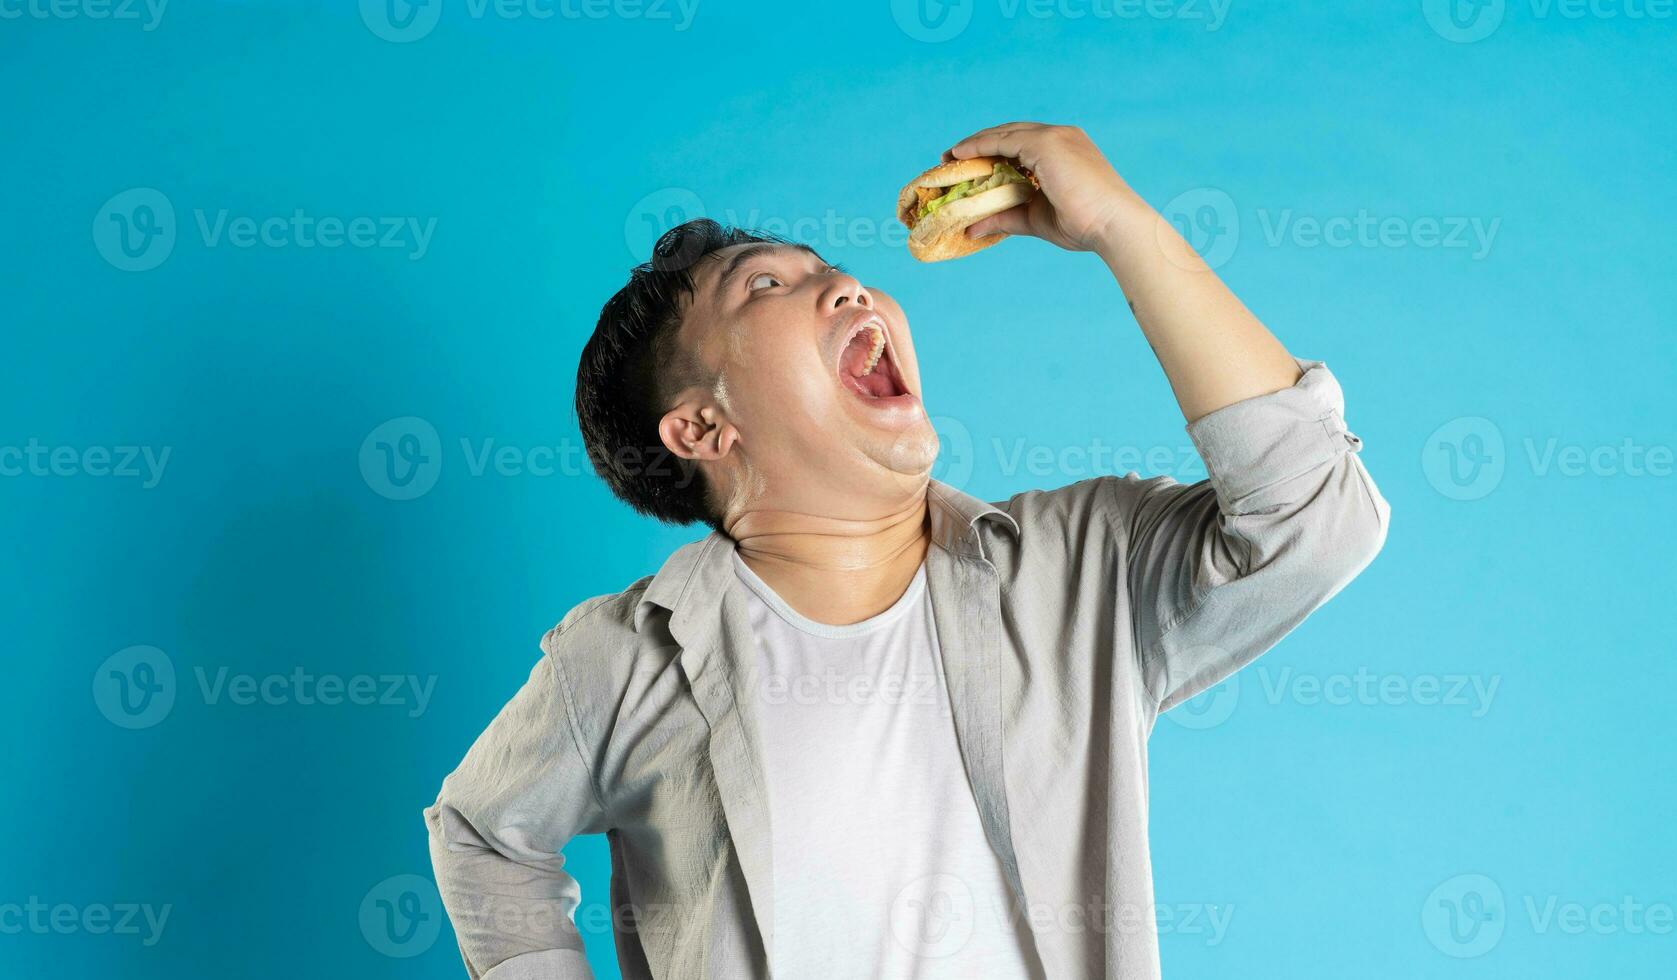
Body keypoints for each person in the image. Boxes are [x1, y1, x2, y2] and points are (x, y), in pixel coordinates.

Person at [424, 122, 1390, 980]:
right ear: (702, 429)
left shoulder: (1078, 571)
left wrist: (1121, 228)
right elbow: (481, 836)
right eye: (766, 285)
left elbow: (1313, 517)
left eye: (825, 268)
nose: (845, 283)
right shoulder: (622, 660)